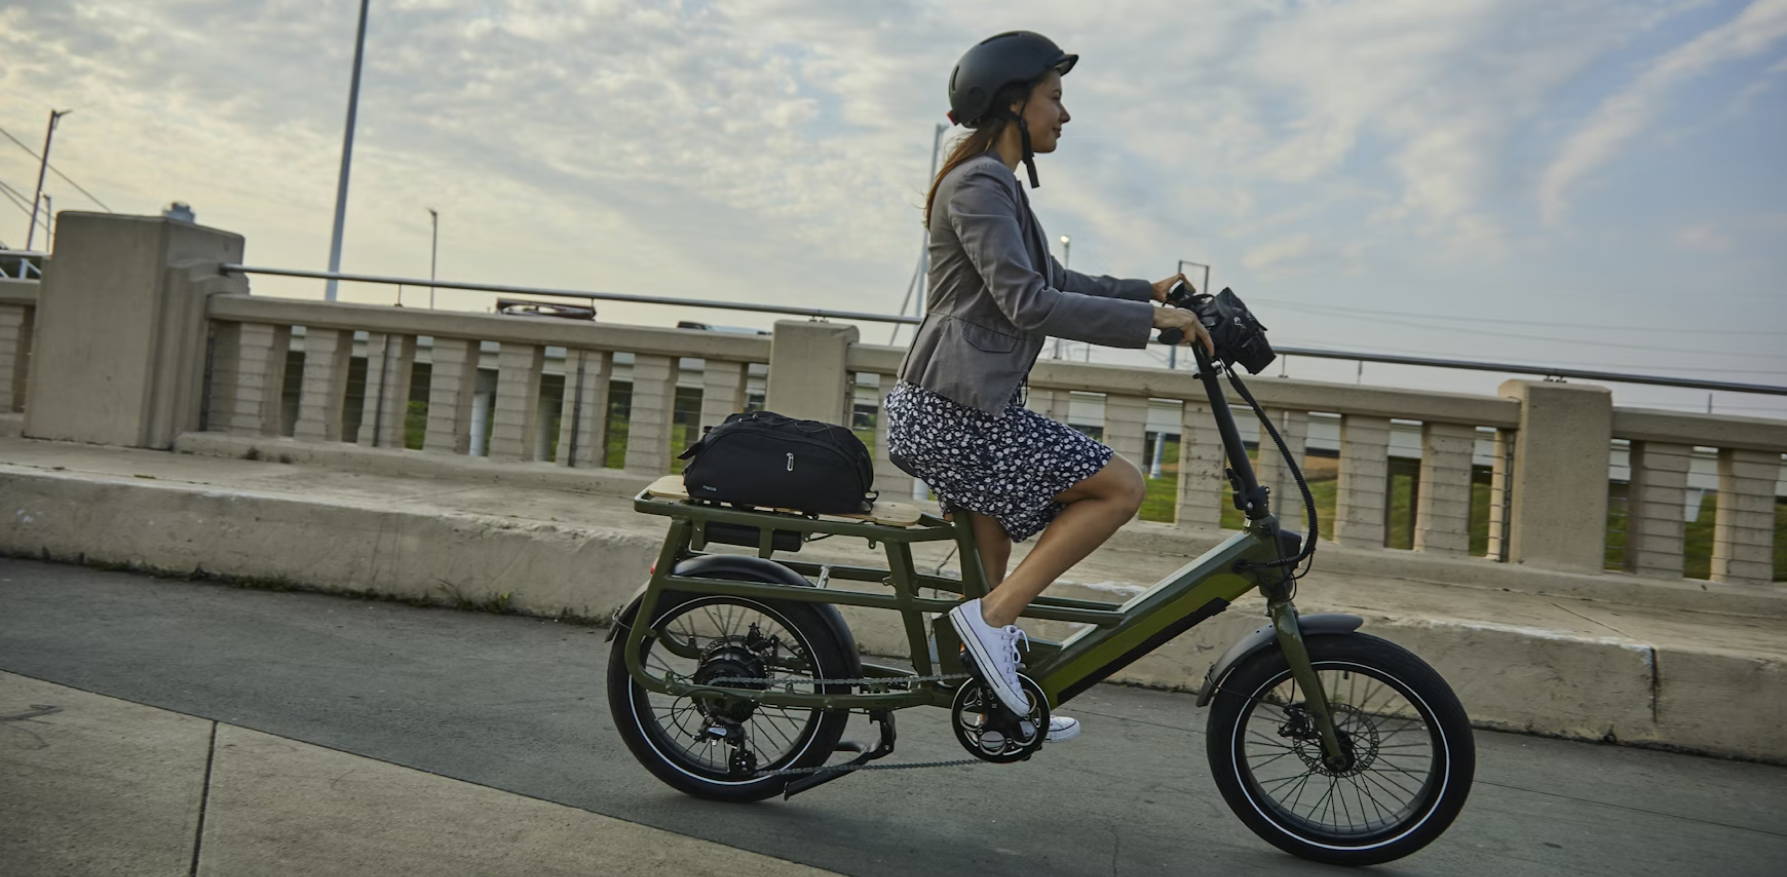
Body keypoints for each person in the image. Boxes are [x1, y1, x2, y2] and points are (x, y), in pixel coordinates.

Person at [887, 31, 1214, 741]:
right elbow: (1027, 302)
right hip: (954, 413)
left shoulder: (995, 184)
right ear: (1014, 103)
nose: (1064, 115)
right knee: (1120, 487)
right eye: (1054, 98)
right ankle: (990, 622)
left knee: (993, 562)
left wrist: (1145, 291)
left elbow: (1055, 279)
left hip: (966, 407)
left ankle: (994, 706)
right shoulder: (978, 184)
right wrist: (1151, 321)